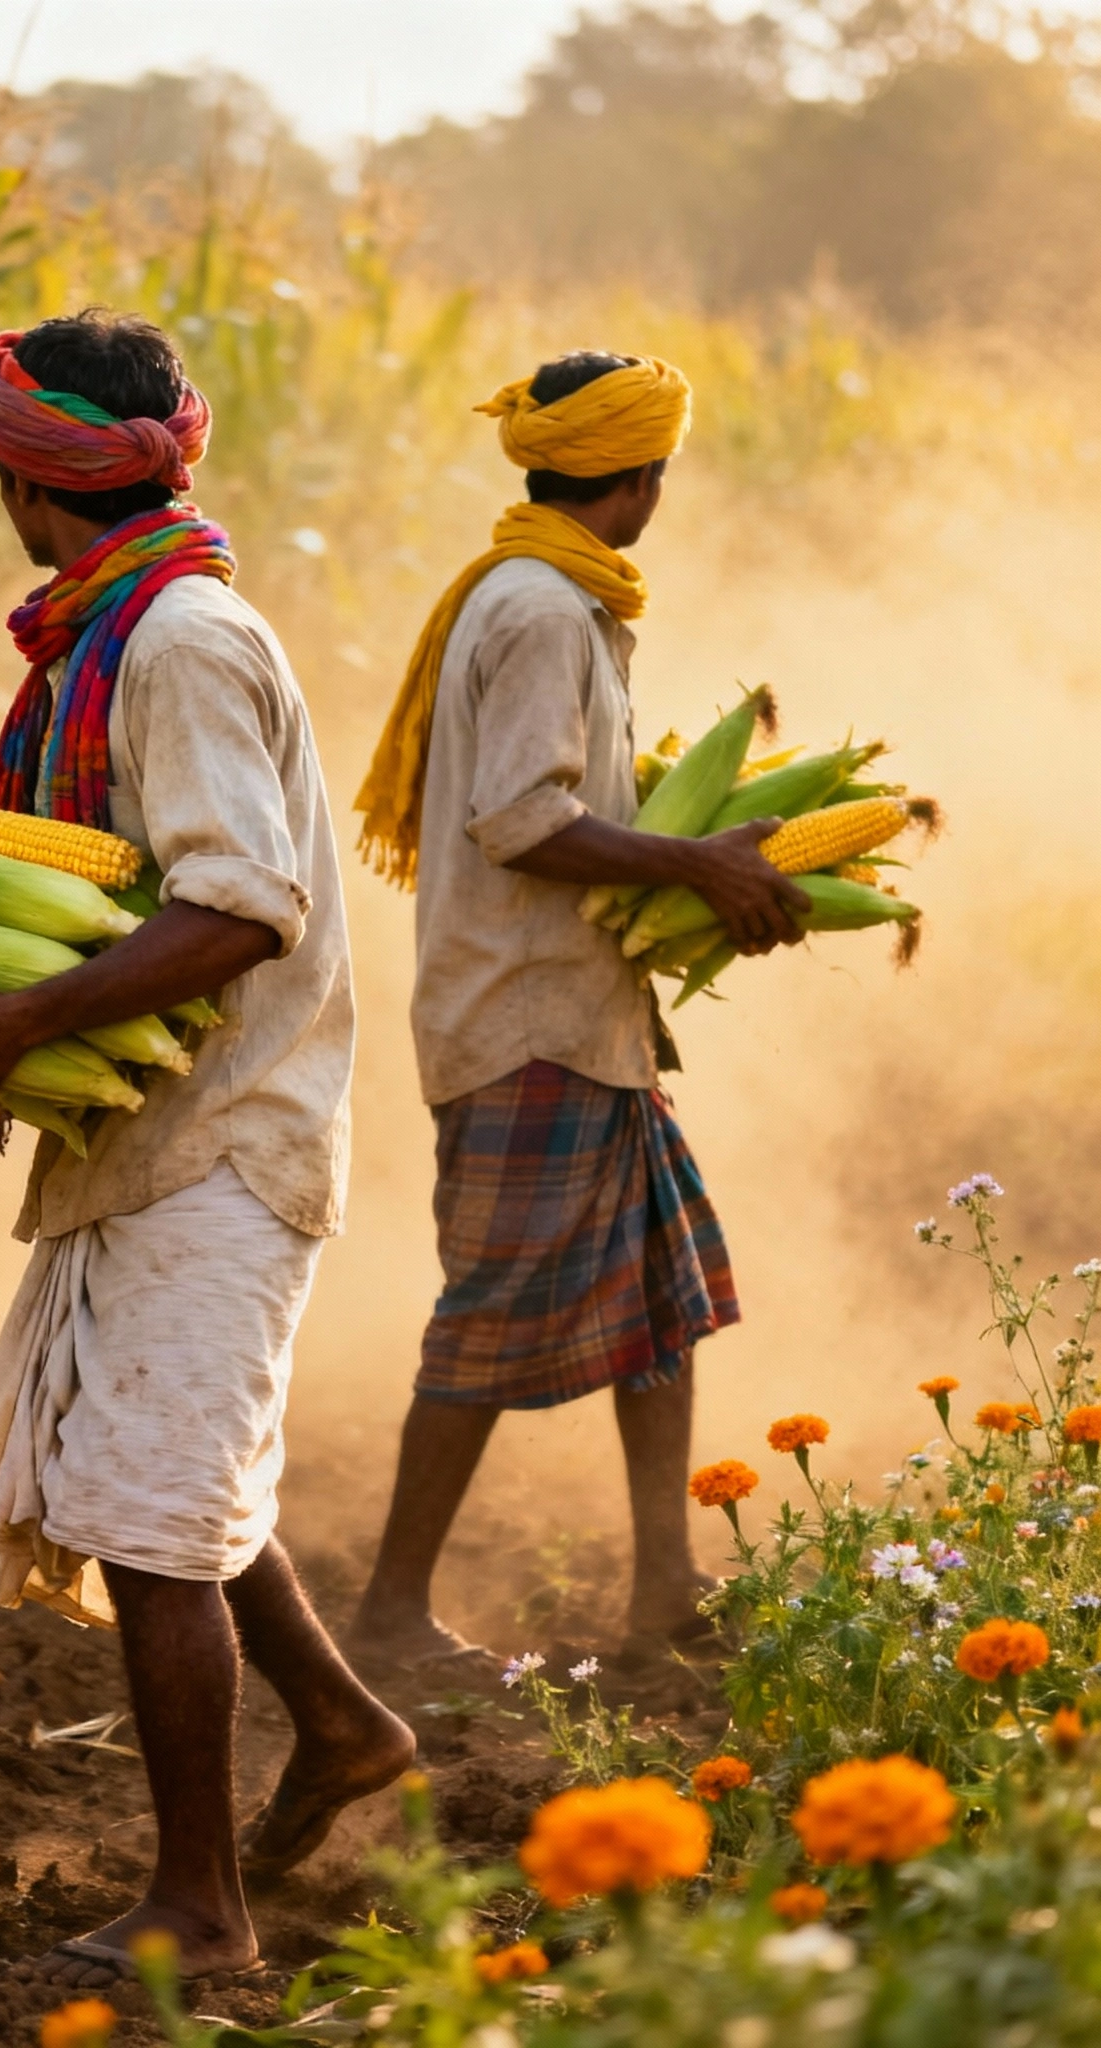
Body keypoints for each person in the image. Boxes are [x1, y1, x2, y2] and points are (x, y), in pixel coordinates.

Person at [0, 311, 413, 1985]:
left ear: (35, 479)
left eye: (0, 472)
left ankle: (203, 1909)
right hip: (165, 1134)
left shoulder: (167, 642)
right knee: (164, 1466)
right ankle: (335, 1717)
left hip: (221, 1138)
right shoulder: (140, 622)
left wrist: (5, 1025)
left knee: (153, 1520)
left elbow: (238, 908)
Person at [346, 351, 807, 1678]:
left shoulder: (555, 595)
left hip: (586, 1022)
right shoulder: (543, 608)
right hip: (524, 1023)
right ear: (641, 478)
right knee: (487, 1321)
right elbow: (523, 819)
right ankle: (386, 1612)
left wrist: (683, 836)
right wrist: (703, 864)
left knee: (662, 1302)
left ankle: (666, 1589)